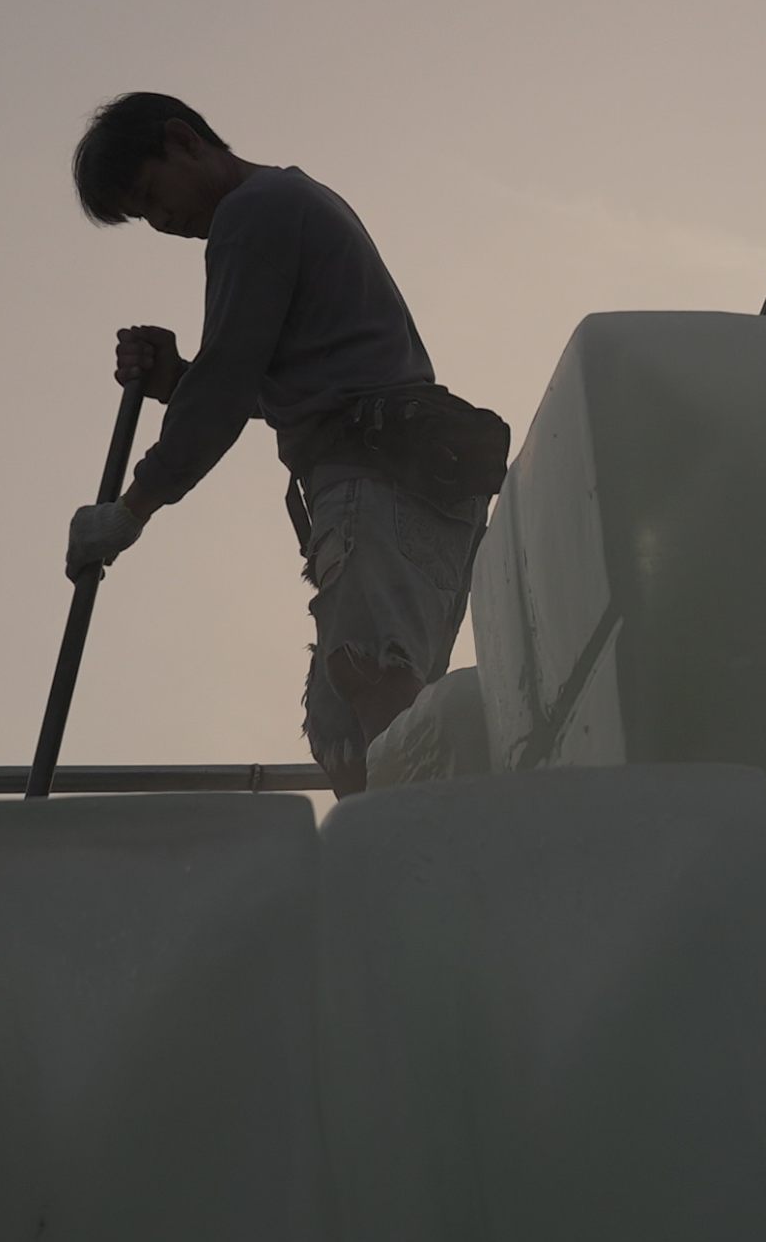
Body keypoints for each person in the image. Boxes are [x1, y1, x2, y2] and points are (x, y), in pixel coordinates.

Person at [64, 92, 509, 793]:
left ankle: (420, 876)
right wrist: (180, 377)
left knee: (376, 693)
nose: (160, 221)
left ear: (182, 140)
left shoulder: (254, 210)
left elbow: (229, 386)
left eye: (151, 195)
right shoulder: (285, 203)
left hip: (378, 478)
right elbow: (274, 380)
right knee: (349, 730)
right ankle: (403, 870)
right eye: (142, 216)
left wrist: (131, 508)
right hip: (408, 479)